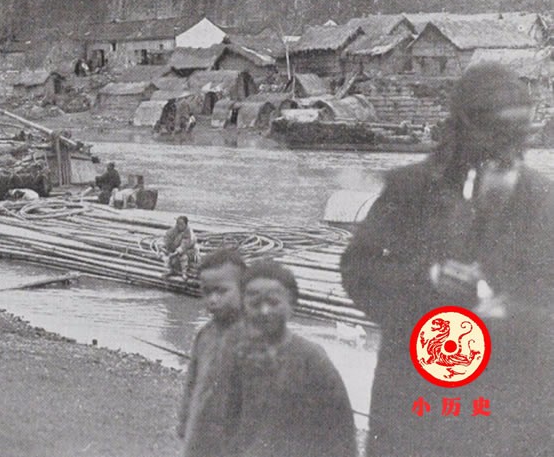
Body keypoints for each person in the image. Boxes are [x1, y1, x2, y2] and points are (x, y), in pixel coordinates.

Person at [340, 62, 554, 457]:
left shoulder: (541, 199)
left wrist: (512, 312)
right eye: (497, 132)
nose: (509, 147)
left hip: (510, 397)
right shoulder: (410, 190)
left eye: (519, 134)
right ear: (464, 128)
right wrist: (429, 279)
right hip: (419, 393)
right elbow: (359, 270)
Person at [223, 261, 357, 457]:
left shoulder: (312, 360)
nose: (264, 311)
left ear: (292, 305)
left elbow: (342, 432)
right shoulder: (234, 356)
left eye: (273, 302)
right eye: (255, 303)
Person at [176, 248, 247, 457]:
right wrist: (184, 421)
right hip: (202, 434)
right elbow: (192, 383)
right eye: (207, 292)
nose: (213, 299)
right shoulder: (205, 335)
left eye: (221, 291)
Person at [162, 215, 199, 279]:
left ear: (186, 224)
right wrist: (166, 247)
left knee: (183, 257)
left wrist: (176, 252)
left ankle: (184, 273)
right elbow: (167, 237)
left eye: (182, 224)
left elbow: (185, 244)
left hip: (189, 250)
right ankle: (171, 270)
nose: (179, 226)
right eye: (178, 223)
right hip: (176, 249)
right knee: (170, 259)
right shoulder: (174, 230)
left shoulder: (188, 232)